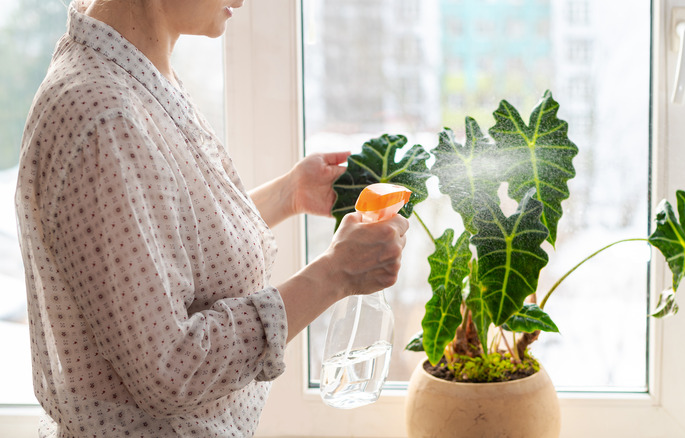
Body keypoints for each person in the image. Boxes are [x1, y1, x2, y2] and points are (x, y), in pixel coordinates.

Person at [14, 0, 409, 436]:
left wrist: (287, 195)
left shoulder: (133, 73)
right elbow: (170, 367)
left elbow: (157, 251)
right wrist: (334, 275)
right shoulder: (105, 118)